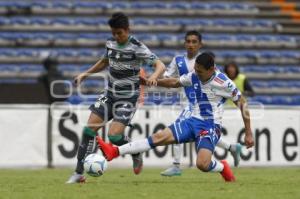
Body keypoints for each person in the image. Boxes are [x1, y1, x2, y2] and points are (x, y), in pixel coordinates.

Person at [97, 52, 254, 182]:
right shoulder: (195, 75)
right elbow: (175, 82)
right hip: (192, 121)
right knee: (158, 137)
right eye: (196, 70)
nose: (196, 74)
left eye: (200, 71)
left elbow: (242, 104)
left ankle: (222, 167)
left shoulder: (223, 82)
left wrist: (248, 132)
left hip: (210, 126)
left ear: (211, 69)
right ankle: (114, 151)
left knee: (202, 164)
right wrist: (152, 82)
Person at [66, 12, 166, 184]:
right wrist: (85, 74)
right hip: (110, 94)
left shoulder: (137, 46)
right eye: (114, 33)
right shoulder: (110, 43)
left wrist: (154, 76)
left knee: (113, 137)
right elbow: (104, 62)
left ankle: (135, 151)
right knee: (88, 130)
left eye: (119, 33)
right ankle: (78, 173)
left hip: (128, 98)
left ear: (127, 30)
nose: (116, 36)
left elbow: (160, 65)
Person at [160, 31, 242, 177]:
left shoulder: (205, 61)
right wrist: (162, 80)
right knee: (198, 134)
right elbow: (168, 78)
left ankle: (176, 165)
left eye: (194, 42)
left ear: (200, 44)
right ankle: (231, 147)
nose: (191, 45)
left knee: (178, 126)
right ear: (185, 43)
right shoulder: (177, 60)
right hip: (183, 101)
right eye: (188, 42)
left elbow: (217, 83)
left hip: (196, 104)